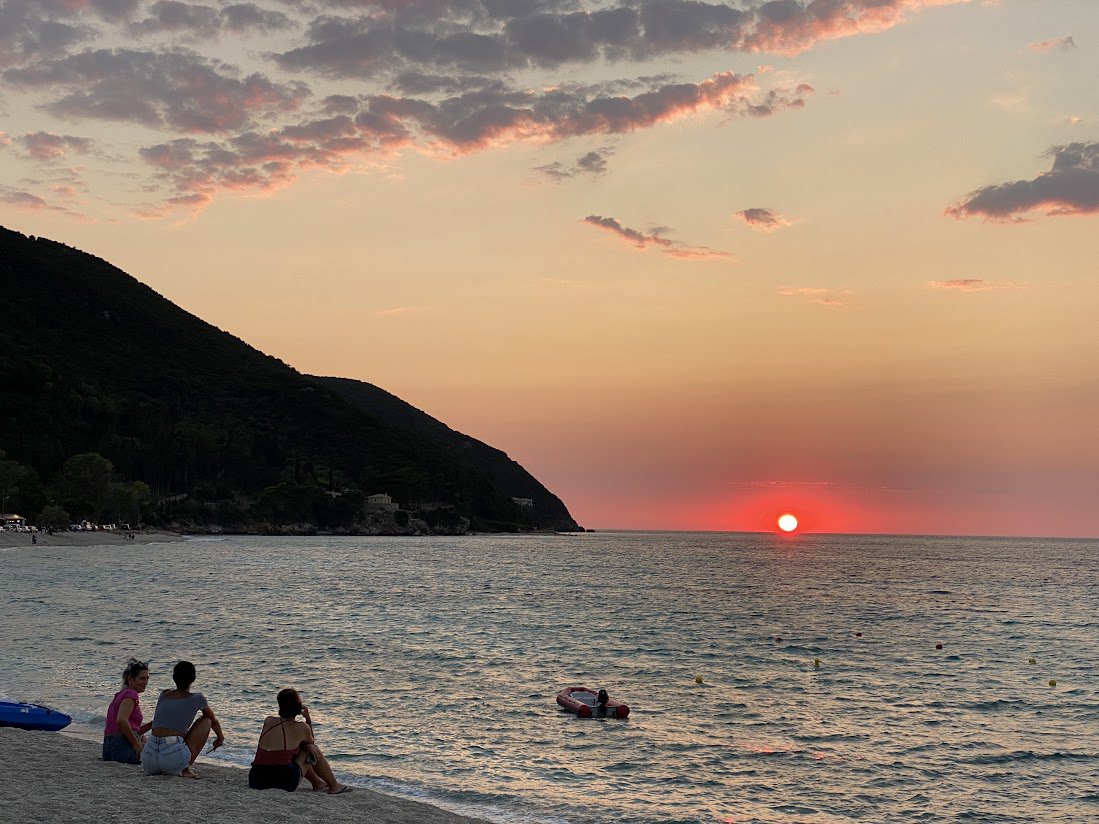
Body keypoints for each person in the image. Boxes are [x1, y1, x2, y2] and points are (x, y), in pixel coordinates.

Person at [248, 688, 352, 795]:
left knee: (294, 751)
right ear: (298, 706)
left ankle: (318, 783)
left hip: (256, 779)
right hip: (282, 782)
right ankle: (334, 786)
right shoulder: (302, 727)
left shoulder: (268, 720)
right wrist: (308, 720)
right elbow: (311, 742)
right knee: (311, 749)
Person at [141, 660, 224, 779]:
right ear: (193, 679)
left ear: (174, 678)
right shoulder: (197, 698)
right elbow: (213, 720)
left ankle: (174, 764)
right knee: (206, 720)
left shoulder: (164, 695)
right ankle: (185, 769)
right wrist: (220, 737)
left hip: (149, 758)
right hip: (171, 758)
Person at [103, 658, 153, 763]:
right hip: (120, 748)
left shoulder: (120, 695)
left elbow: (131, 729)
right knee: (160, 751)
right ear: (130, 679)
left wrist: (152, 724)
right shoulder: (131, 694)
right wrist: (136, 746)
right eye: (142, 679)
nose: (146, 682)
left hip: (109, 750)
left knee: (144, 738)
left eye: (147, 678)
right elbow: (121, 721)